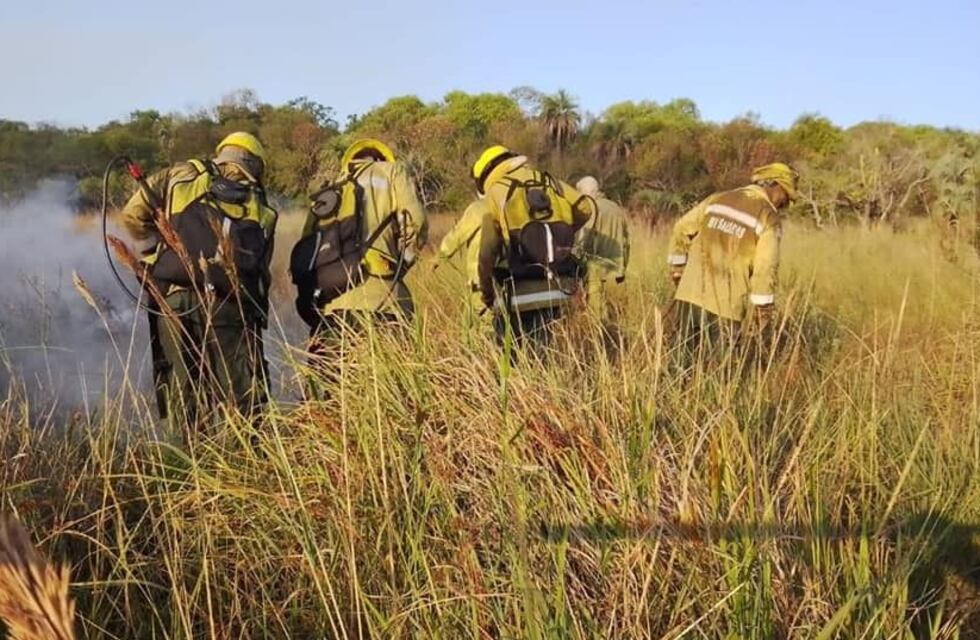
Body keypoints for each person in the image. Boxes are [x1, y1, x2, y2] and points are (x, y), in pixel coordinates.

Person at [120, 132, 278, 428]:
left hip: (175, 301)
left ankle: (188, 464)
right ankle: (246, 462)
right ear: (256, 164)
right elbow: (261, 270)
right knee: (243, 396)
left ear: (223, 154)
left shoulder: (179, 174)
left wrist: (158, 251)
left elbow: (131, 216)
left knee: (182, 392)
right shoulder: (263, 206)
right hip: (231, 306)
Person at [290, 138, 427, 384]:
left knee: (329, 396)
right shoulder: (392, 172)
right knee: (389, 393)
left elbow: (306, 246)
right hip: (382, 303)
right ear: (380, 158)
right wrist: (403, 262)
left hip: (332, 307)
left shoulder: (331, 188)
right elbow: (415, 221)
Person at [470, 145, 595, 350]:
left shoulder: (495, 193)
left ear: (485, 175)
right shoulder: (549, 181)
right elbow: (585, 208)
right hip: (558, 289)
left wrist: (487, 294)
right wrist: (562, 234)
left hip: (515, 292)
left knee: (511, 361)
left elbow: (486, 253)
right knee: (550, 357)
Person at [666, 162, 799, 355]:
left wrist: (678, 271)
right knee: (721, 374)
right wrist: (763, 309)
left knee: (678, 364)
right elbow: (765, 268)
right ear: (774, 185)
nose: (785, 204)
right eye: (786, 197)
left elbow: (680, 228)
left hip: (688, 295)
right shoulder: (768, 217)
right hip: (726, 307)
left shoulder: (718, 198)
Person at [574, 176, 629, 317]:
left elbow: (582, 240)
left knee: (597, 316)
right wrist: (623, 267)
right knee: (617, 314)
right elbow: (626, 242)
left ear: (585, 192)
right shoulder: (616, 208)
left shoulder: (589, 209)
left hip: (596, 270)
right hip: (617, 269)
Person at [437, 197, 491, 325]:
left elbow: (457, 236)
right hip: (510, 280)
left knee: (477, 327)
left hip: (481, 283)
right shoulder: (512, 204)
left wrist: (440, 256)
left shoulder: (479, 208)